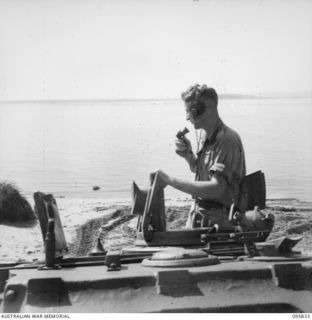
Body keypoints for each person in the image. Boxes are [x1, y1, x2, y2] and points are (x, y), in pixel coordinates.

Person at [155, 84, 246, 229]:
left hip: (221, 223)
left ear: (203, 109)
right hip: (201, 216)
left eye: (189, 111)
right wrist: (189, 156)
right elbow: (202, 172)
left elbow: (216, 188)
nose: (187, 117)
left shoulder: (227, 140)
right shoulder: (206, 136)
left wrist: (170, 181)